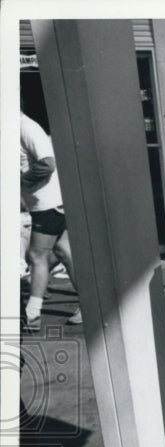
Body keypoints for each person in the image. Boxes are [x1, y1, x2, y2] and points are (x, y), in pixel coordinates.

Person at [20, 110, 82, 328]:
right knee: (64, 250)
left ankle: (33, 314)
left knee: (37, 256)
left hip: (47, 204)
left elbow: (47, 163)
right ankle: (91, 303)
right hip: (48, 203)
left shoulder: (25, 126)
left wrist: (23, 180)